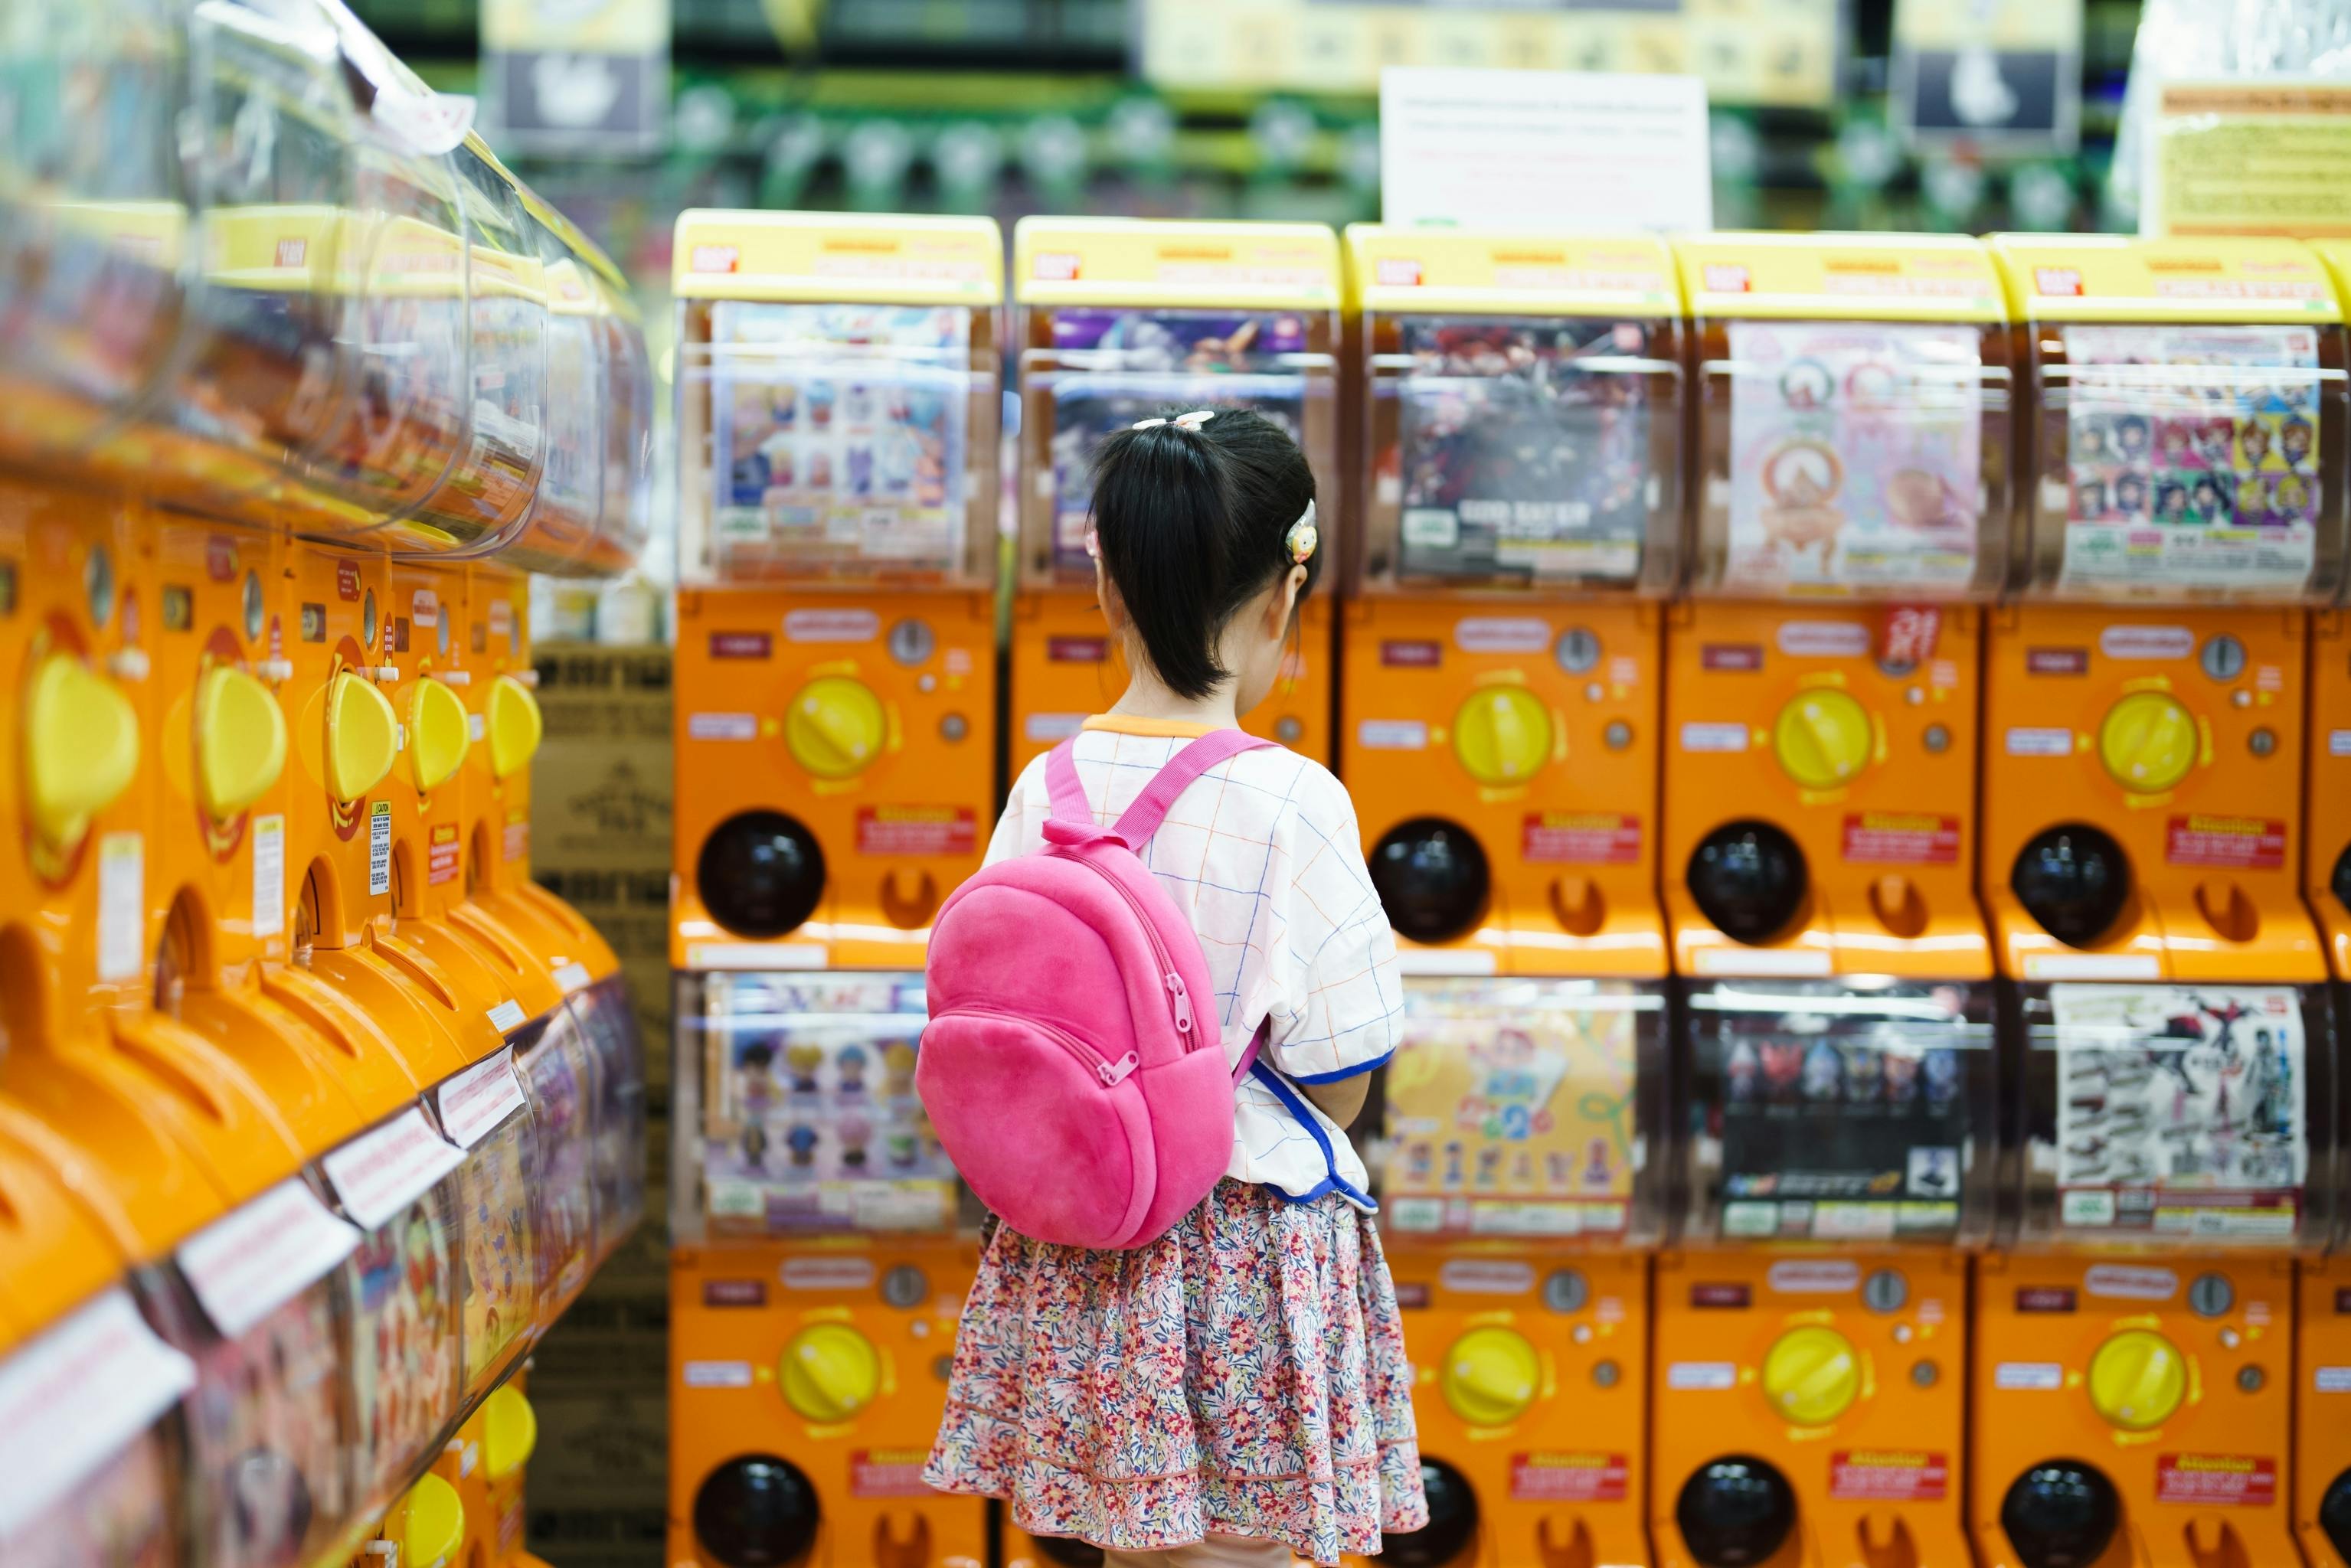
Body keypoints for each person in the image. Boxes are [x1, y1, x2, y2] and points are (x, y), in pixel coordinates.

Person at [923, 407, 1427, 1568]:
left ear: (1109, 591)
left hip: (1077, 1236)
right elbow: (1343, 1072)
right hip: (1240, 1241)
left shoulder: (1040, 788)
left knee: (1130, 1549)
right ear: (1278, 598)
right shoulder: (1294, 800)